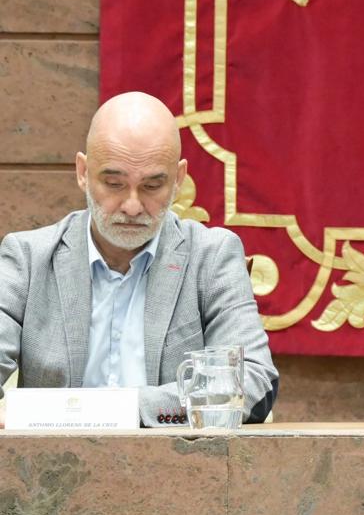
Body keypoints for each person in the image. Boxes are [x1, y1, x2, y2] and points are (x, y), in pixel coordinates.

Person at [0, 92, 279, 426]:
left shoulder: (212, 257)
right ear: (83, 172)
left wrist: (119, 410)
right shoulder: (28, 259)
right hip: (53, 472)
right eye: (114, 183)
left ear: (177, 180)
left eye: (151, 186)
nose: (132, 206)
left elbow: (252, 384)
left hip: (180, 469)